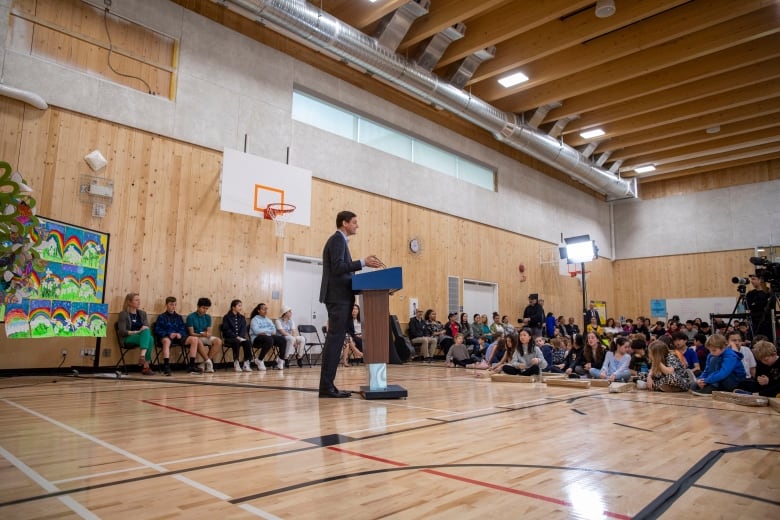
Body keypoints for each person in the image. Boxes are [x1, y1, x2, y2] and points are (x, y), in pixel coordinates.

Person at [318, 210, 382, 398]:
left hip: (341, 297)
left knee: (336, 342)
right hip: (337, 298)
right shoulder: (337, 240)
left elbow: (343, 271)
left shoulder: (341, 241)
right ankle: (326, 387)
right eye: (354, 222)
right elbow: (338, 268)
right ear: (344, 223)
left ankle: (328, 385)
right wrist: (362, 262)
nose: (357, 225)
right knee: (334, 341)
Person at [154, 296, 206, 375]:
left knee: (194, 339)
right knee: (166, 341)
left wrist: (180, 334)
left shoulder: (178, 317)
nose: (173, 306)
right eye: (171, 304)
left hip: (178, 337)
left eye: (175, 305)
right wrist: (169, 334)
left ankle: (191, 365)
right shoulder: (161, 317)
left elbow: (183, 328)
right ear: (166, 305)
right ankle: (166, 366)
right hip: (167, 336)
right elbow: (158, 329)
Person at [117, 292, 155, 375]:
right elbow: (122, 331)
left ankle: (142, 356)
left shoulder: (142, 313)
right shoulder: (123, 314)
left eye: (139, 300)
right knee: (149, 338)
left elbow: (146, 326)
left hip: (141, 337)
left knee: (148, 335)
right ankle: (145, 365)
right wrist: (137, 332)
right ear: (129, 302)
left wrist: (143, 330)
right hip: (127, 338)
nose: (139, 302)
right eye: (136, 300)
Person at [186, 297, 223, 373]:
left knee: (218, 341)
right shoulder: (191, 317)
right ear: (198, 306)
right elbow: (191, 333)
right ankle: (209, 362)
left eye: (207, 309)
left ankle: (204, 363)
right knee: (197, 341)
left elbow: (209, 331)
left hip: (204, 336)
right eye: (203, 308)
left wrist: (207, 334)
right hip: (196, 336)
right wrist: (201, 335)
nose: (205, 310)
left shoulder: (208, 317)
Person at [249, 303, 287, 371]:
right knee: (269, 339)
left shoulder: (268, 320)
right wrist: (268, 331)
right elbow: (256, 331)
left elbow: (274, 330)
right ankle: (260, 360)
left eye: (266, 309)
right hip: (256, 339)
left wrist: (265, 332)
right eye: (263, 309)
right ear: (258, 310)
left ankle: (280, 361)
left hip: (268, 338)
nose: (265, 310)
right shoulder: (254, 320)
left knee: (282, 339)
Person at [220, 299, 252, 372]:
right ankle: (236, 362)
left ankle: (246, 363)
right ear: (233, 307)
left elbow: (243, 329)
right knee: (236, 341)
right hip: (230, 338)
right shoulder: (227, 317)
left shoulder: (242, 317)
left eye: (241, 306)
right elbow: (226, 329)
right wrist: (235, 336)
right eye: (239, 306)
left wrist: (240, 337)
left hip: (240, 338)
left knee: (247, 342)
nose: (241, 307)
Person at [746, 274, 772, 339]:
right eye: (751, 279)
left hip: (766, 321)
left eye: (754, 279)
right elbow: (748, 306)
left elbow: (769, 306)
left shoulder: (767, 293)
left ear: (760, 280)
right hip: (755, 320)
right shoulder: (750, 293)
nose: (752, 281)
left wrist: (755, 304)